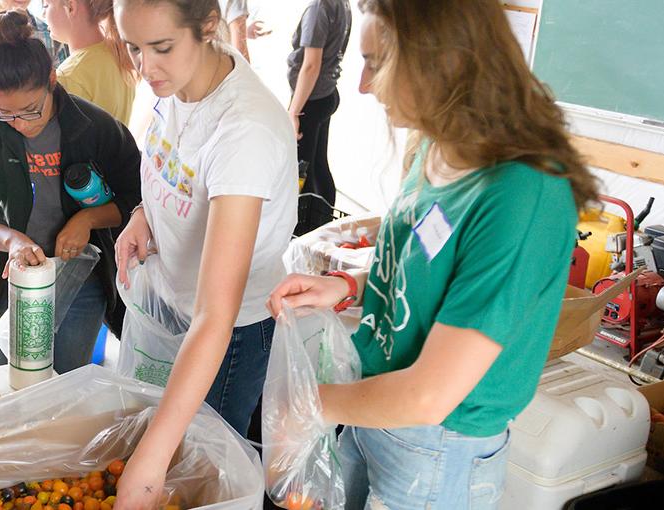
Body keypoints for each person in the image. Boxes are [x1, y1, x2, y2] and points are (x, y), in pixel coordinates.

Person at [267, 1, 597, 507]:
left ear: (440, 60)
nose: (363, 85)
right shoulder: (437, 140)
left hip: (437, 445)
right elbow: (422, 250)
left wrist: (308, 407)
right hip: (373, 407)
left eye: (377, 62)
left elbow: (429, 394)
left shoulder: (523, 194)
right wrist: (352, 285)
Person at [110, 0, 297, 507]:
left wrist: (149, 465)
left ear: (208, 26)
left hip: (228, 335)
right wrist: (144, 214)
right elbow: (180, 169)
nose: (145, 68)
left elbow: (218, 314)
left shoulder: (245, 129)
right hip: (179, 310)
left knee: (195, 477)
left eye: (162, 48)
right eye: (133, 48)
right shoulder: (180, 84)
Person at [0, 9, 141, 373]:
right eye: (5, 112)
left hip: (82, 282)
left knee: (65, 383)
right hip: (14, 280)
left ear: (51, 79)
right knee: (2, 384)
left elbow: (136, 199)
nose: (19, 125)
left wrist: (87, 218)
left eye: (31, 111)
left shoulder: (94, 126)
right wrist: (12, 241)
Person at [287, 0, 352, 235]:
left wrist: (293, 112)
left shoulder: (319, 8)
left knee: (299, 171)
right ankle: (323, 225)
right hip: (326, 94)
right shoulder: (340, 5)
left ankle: (303, 230)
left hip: (311, 100)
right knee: (316, 165)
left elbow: (311, 65)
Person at [42, 0, 137, 125]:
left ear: (71, 6)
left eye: (47, 5)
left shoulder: (70, 76)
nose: (43, 14)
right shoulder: (120, 56)